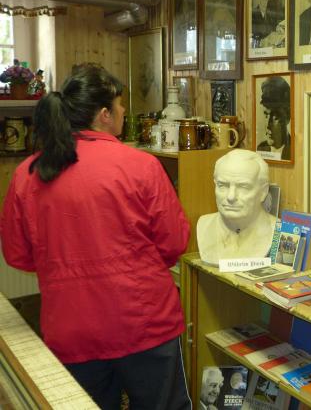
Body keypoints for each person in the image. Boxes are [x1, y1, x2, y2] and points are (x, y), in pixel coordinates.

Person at [0, 64, 191, 409]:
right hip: (143, 322)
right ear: (104, 114)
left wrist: (60, 265)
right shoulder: (140, 165)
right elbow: (174, 242)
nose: (123, 111)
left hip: (71, 326)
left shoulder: (29, 173)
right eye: (119, 105)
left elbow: (18, 255)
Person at [197, 149, 277, 265]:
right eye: (223, 185)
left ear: (263, 191)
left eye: (243, 187)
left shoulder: (278, 231)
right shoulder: (204, 225)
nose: (231, 197)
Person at [256, 76, 291, 160]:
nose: (268, 125)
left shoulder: (295, 150)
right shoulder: (261, 148)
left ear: (287, 117)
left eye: (275, 117)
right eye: (266, 115)